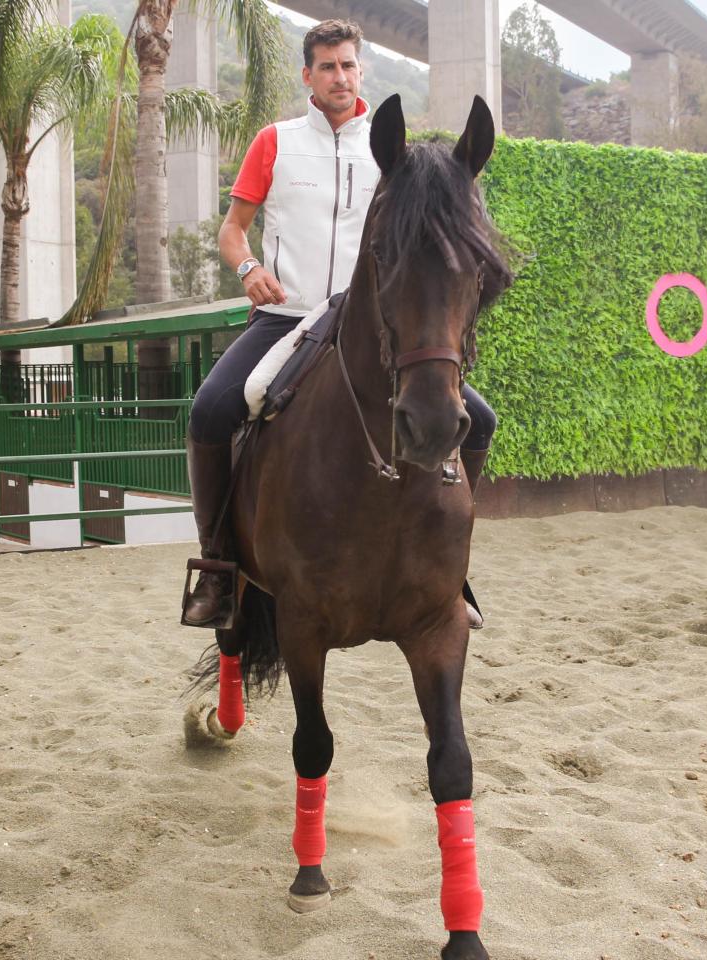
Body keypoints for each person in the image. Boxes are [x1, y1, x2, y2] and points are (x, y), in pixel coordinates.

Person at [181, 18, 496, 628]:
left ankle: (451, 566)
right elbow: (232, 230)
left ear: (361, 71)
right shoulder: (274, 141)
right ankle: (219, 568)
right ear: (308, 75)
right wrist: (248, 268)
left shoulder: (393, 153)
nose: (340, 76)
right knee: (212, 409)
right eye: (327, 66)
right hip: (286, 317)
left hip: (367, 326)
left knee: (478, 420)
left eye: (349, 65)